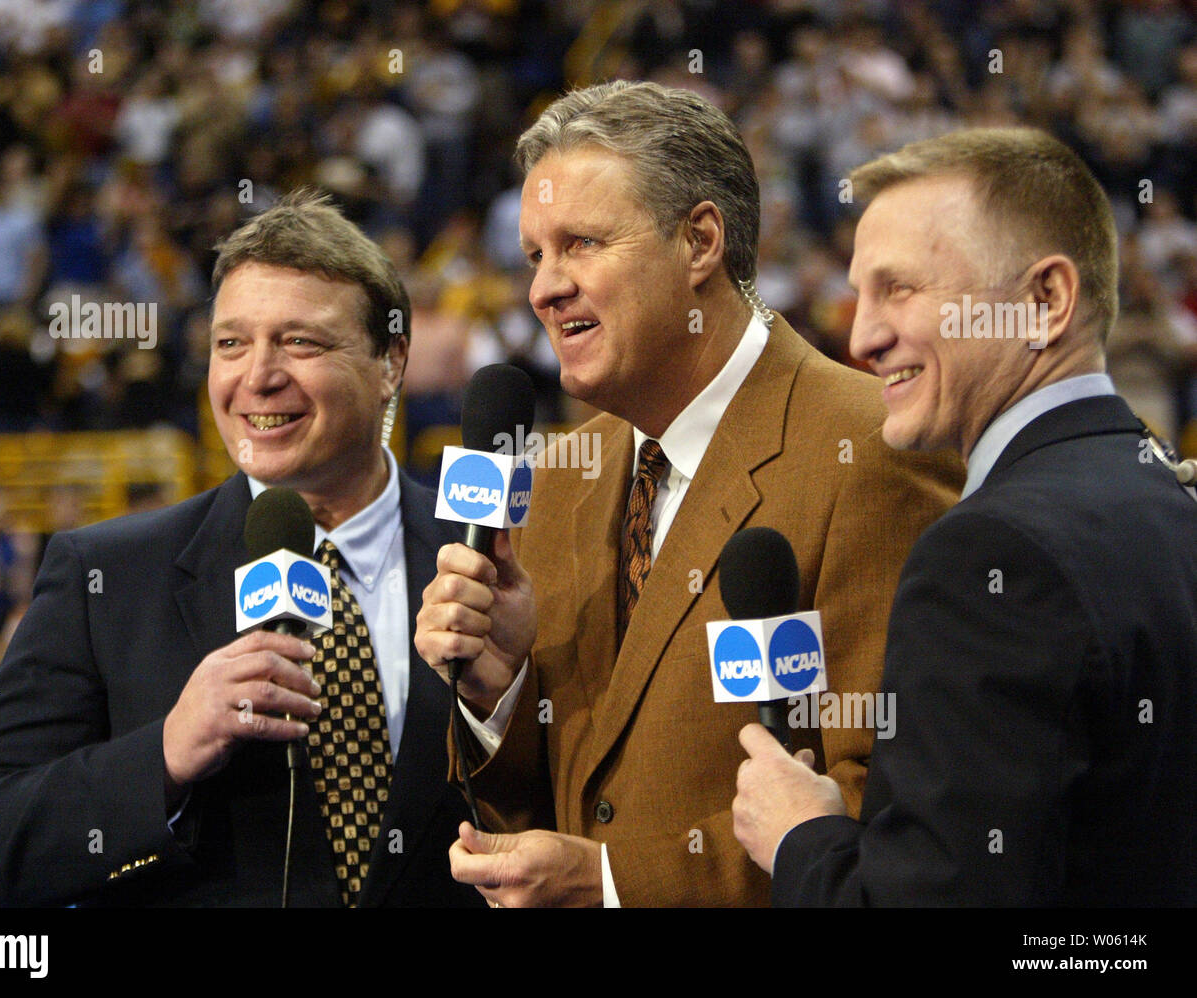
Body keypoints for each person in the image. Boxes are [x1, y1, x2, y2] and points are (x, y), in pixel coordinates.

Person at [414, 81, 963, 907]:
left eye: (582, 244)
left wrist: (612, 884)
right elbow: (565, 795)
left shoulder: (873, 453)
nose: (544, 288)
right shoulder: (563, 472)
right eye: (535, 256)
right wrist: (504, 690)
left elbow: (887, 811)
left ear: (700, 241)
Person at [0, 190, 483, 907]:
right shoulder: (106, 577)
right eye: (231, 343)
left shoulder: (491, 560)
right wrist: (163, 755)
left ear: (390, 362)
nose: (258, 375)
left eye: (300, 341)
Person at [732, 128, 1197, 905]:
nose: (863, 336)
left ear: (1044, 301)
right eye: (861, 292)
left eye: (901, 289)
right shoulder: (1167, 498)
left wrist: (800, 839)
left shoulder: (993, 554)